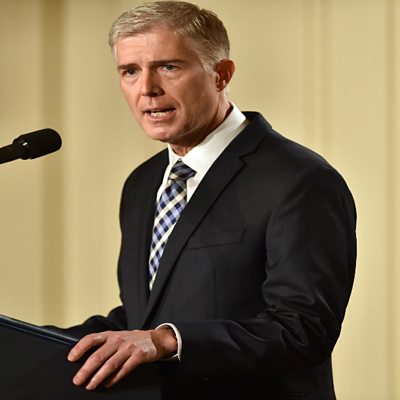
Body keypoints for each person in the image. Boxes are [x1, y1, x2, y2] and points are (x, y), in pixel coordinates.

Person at [63, 1, 357, 399]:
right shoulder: (142, 184)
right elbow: (142, 318)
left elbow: (303, 330)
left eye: (168, 67)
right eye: (130, 71)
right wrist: (25, 343)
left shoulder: (300, 180)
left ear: (221, 74)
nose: (147, 88)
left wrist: (168, 340)